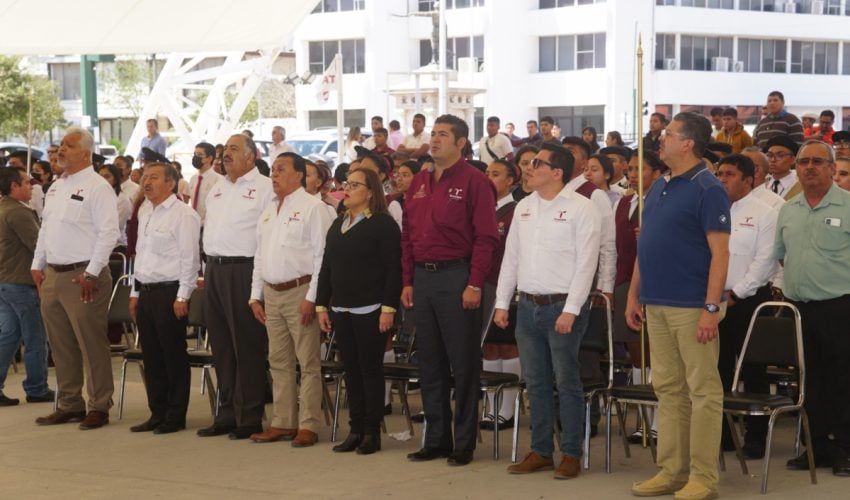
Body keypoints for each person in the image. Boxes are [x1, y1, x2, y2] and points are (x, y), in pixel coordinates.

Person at [625, 112, 731, 499]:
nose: (660, 138)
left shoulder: (708, 188)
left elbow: (720, 254)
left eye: (668, 134)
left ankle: (703, 477)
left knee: (702, 391)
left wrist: (711, 308)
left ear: (687, 143)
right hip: (656, 300)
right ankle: (671, 470)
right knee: (668, 388)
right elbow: (646, 245)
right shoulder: (659, 185)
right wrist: (634, 294)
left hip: (692, 304)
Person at [497, 143, 601, 479]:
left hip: (562, 307)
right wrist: (502, 302)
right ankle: (541, 451)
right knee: (536, 382)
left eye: (537, 163)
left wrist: (572, 310)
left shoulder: (582, 208)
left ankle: (571, 453)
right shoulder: (524, 207)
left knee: (567, 381)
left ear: (557, 172)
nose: (528, 167)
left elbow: (587, 264)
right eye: (529, 162)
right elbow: (511, 257)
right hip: (527, 306)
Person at [401, 114, 499, 467]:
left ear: (460, 143)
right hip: (423, 278)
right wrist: (407, 280)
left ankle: (464, 443)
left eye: (443, 134)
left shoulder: (475, 181)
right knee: (429, 362)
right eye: (433, 133)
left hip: (457, 276)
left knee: (463, 364)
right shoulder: (420, 181)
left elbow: (486, 237)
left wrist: (474, 283)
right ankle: (436, 439)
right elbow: (408, 235)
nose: (435, 139)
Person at [31, 127, 120, 430]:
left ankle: (99, 405)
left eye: (68, 145)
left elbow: (109, 233)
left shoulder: (97, 187)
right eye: (61, 145)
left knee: (91, 344)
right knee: (61, 345)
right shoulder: (56, 186)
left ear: (85, 153)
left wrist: (92, 272)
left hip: (84, 275)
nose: (61, 150)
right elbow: (46, 228)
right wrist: (37, 263)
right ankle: (70, 404)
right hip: (54, 275)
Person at [247, 152, 332, 447]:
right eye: (272, 169)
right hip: (272, 292)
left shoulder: (313, 208)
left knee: (307, 362)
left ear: (299, 174)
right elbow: (260, 255)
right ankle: (283, 422)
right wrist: (255, 296)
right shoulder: (269, 209)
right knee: (279, 360)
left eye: (280, 169)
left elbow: (322, 258)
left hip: (301, 291)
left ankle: (308, 424)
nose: (274, 174)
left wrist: (312, 298)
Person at [776, 140, 850, 477]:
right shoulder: (788, 209)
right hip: (800, 309)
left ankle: (845, 449)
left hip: (840, 308)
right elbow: (781, 255)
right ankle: (815, 447)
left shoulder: (847, 205)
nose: (809, 167)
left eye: (818, 161)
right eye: (804, 162)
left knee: (842, 380)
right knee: (808, 380)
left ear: (832, 168)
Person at [315, 168, 401, 455]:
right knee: (350, 370)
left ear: (371, 192)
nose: (347, 189)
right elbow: (327, 267)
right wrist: (321, 305)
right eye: (346, 184)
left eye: (355, 184)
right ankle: (355, 429)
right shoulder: (338, 223)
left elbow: (393, 269)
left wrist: (388, 308)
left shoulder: (383, 224)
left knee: (369, 371)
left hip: (372, 308)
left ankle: (371, 432)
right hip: (341, 307)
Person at [196, 133, 274, 440]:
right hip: (214, 270)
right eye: (225, 149)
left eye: (233, 149)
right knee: (222, 347)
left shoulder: (265, 188)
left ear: (251, 156)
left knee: (247, 346)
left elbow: (267, 237)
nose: (225, 154)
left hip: (245, 270)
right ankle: (226, 413)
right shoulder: (217, 188)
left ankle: (250, 416)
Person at [714, 154, 779, 459]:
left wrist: (736, 293)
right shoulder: (713, 209)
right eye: (719, 173)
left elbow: (765, 261)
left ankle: (756, 436)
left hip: (749, 300)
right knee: (718, 368)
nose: (722, 179)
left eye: (729, 174)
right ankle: (723, 434)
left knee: (753, 368)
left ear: (748, 179)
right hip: (714, 299)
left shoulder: (766, 212)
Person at [127, 163, 200, 434]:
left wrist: (183, 296)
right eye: (145, 177)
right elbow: (141, 256)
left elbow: (190, 260)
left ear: (170, 184)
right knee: (152, 357)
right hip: (146, 291)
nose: (147, 182)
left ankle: (175, 415)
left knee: (173, 356)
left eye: (154, 177)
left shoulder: (184, 215)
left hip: (170, 292)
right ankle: (157, 412)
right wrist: (134, 292)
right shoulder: (145, 210)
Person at [613, 149, 667, 443]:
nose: (632, 175)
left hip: (656, 281)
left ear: (657, 172)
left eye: (640, 169)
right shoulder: (625, 202)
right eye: (630, 169)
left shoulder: (663, 200)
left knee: (657, 353)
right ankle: (644, 420)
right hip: (626, 281)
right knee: (636, 354)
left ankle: (660, 421)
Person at [0, 168, 53, 407]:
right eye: (25, 182)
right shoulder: (18, 212)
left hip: (6, 281)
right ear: (13, 186)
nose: (31, 186)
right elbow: (37, 245)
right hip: (21, 282)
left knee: (9, 336)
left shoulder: (4, 208)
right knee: (35, 336)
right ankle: (37, 388)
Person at [480, 158, 521, 431]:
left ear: (510, 181)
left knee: (507, 345)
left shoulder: (515, 210)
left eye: (495, 174)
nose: (488, 177)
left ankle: (508, 409)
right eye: (486, 172)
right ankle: (492, 406)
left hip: (505, 284)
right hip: (482, 284)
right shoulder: (480, 207)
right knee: (488, 345)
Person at [97, 164, 133, 254]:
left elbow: (114, 226)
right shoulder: (94, 196)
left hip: (115, 246)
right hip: (93, 243)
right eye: (100, 176)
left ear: (115, 180)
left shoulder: (122, 199)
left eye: (107, 176)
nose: (102, 180)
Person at [186, 142, 223, 227]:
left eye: (200, 154)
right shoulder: (193, 179)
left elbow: (219, 207)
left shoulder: (218, 180)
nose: (196, 157)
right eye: (195, 154)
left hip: (210, 226)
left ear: (209, 158)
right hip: (193, 225)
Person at [764, 135, 802, 201]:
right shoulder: (763, 183)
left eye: (780, 155)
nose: (773, 160)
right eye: (770, 155)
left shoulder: (801, 185)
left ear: (793, 159)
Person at [388, 160, 420, 228]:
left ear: (418, 178)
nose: (399, 179)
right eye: (398, 175)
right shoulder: (395, 205)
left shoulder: (423, 202)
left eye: (404, 175)